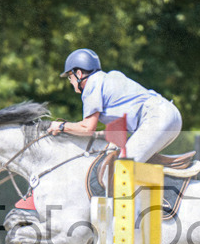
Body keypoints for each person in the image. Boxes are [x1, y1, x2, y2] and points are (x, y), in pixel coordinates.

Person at [47, 48, 183, 163]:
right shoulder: (111, 77)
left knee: (122, 169)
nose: (70, 82)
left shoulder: (91, 85)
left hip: (157, 118)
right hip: (171, 116)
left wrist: (60, 126)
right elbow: (117, 130)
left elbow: (87, 128)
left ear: (79, 74)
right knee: (138, 166)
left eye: (70, 77)